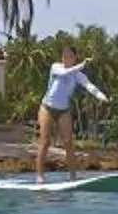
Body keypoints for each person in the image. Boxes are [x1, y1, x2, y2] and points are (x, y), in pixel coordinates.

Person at [33, 46, 108, 179]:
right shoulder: (56, 67)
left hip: (64, 110)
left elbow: (90, 87)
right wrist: (82, 65)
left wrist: (103, 97)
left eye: (70, 56)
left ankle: (73, 176)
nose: (67, 59)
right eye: (64, 56)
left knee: (68, 142)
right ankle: (40, 177)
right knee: (45, 142)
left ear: (74, 58)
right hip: (47, 108)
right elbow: (64, 74)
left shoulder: (78, 75)